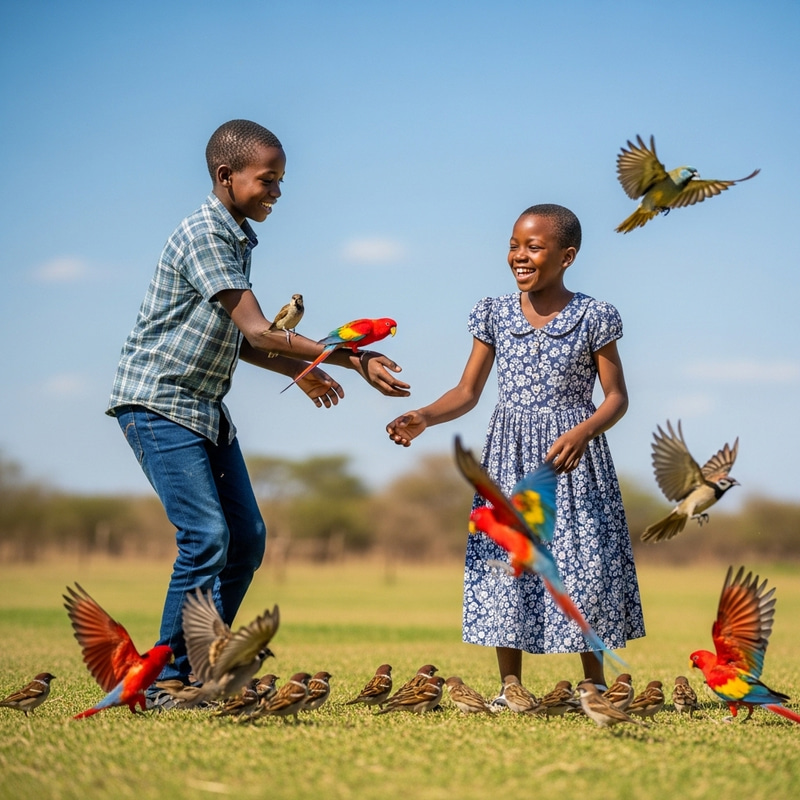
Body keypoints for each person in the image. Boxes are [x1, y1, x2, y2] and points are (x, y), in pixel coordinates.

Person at [107, 120, 410, 705]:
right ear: (226, 176)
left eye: (281, 181)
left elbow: (243, 342)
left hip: (203, 405)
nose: (276, 192)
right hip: (159, 399)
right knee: (205, 534)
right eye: (268, 180)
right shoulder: (206, 234)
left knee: (245, 539)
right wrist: (353, 359)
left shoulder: (234, 237)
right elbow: (258, 329)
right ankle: (166, 678)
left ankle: (198, 669)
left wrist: (301, 369)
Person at [386, 204, 644, 690]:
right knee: (509, 564)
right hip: (510, 457)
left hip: (573, 460)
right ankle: (511, 686)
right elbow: (467, 393)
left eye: (533, 247)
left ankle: (592, 685)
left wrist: (584, 430)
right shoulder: (495, 314)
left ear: (567, 256)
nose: (519, 256)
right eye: (513, 245)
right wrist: (424, 416)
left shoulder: (595, 316)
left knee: (583, 563)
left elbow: (617, 398)